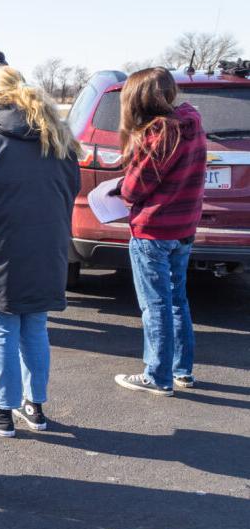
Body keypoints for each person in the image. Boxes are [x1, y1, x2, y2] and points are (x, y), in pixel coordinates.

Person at [0, 66, 81, 437]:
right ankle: (34, 406)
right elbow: (73, 187)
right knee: (35, 327)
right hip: (47, 246)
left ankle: (2, 410)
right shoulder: (58, 137)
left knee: (2, 331)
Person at [112, 68, 207, 397]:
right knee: (177, 301)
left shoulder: (159, 133)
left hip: (153, 231)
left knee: (156, 306)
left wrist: (120, 187)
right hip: (184, 228)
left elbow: (134, 188)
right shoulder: (191, 123)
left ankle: (157, 376)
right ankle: (182, 371)